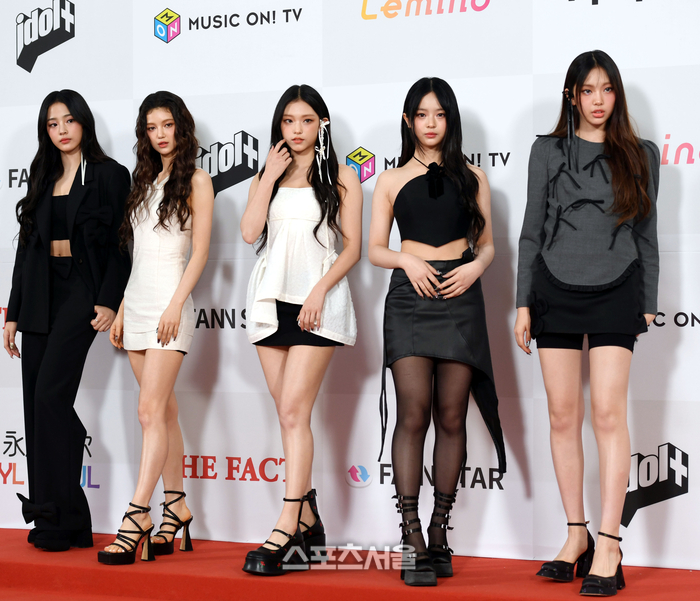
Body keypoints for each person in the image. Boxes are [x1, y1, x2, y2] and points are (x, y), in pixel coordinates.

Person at [514, 50, 660, 597]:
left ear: (616, 94)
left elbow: (647, 233)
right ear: (571, 96)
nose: (599, 100)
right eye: (588, 90)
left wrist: (648, 300)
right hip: (553, 286)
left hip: (618, 287)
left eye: (607, 89)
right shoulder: (547, 151)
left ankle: (609, 543)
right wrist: (523, 303)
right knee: (561, 414)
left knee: (607, 413)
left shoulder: (641, 154)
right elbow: (531, 230)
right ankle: (576, 533)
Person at [368, 77, 506, 586]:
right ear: (408, 121)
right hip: (409, 297)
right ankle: (410, 537)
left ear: (451, 120)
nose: (431, 123)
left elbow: (487, 244)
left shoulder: (473, 176)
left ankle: (439, 531)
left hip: (460, 295)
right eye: (422, 114)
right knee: (413, 413)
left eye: (440, 114)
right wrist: (406, 260)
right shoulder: (389, 179)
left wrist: (475, 267)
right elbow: (374, 249)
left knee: (452, 416)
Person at [240, 84, 362, 575]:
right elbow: (249, 232)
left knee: (293, 410)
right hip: (271, 303)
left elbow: (352, 248)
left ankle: (288, 522)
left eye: (306, 120)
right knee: (288, 415)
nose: (296, 129)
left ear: (322, 124)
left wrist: (318, 291)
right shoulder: (266, 174)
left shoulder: (342, 176)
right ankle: (309, 518)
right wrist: (268, 177)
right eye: (288, 121)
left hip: (318, 304)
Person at [3, 89, 131, 552]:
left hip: (82, 289)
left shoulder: (109, 174)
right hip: (40, 293)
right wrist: (13, 313)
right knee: (35, 404)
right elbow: (26, 248)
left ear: (83, 122)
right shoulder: (42, 173)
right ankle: (59, 516)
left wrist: (109, 299)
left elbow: (122, 243)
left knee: (50, 396)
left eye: (68, 120)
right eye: (52, 123)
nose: (61, 130)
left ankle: (64, 513)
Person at [98, 91, 214, 565]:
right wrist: (124, 306)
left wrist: (176, 304)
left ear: (181, 128)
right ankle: (177, 506)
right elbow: (138, 255)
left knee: (148, 412)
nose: (160, 134)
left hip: (171, 305)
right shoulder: (143, 181)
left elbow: (200, 252)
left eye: (167, 125)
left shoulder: (198, 180)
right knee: (162, 411)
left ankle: (137, 515)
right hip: (139, 302)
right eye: (151, 127)